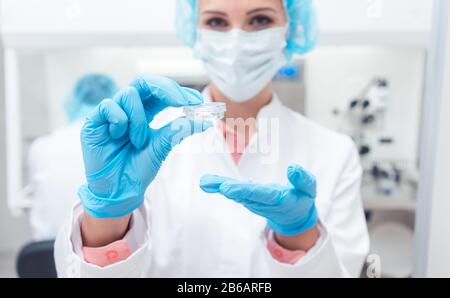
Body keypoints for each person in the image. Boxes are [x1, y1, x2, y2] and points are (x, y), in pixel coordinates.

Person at [55, 0, 369, 277]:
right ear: (196, 31)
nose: (236, 40)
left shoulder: (335, 152)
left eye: (259, 20)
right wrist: (108, 216)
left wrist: (299, 236)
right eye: (217, 21)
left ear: (291, 27)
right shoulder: (144, 142)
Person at [28, 74, 118, 240]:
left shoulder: (42, 146)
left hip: (44, 256)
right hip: (99, 255)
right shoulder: (119, 147)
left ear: (73, 101)